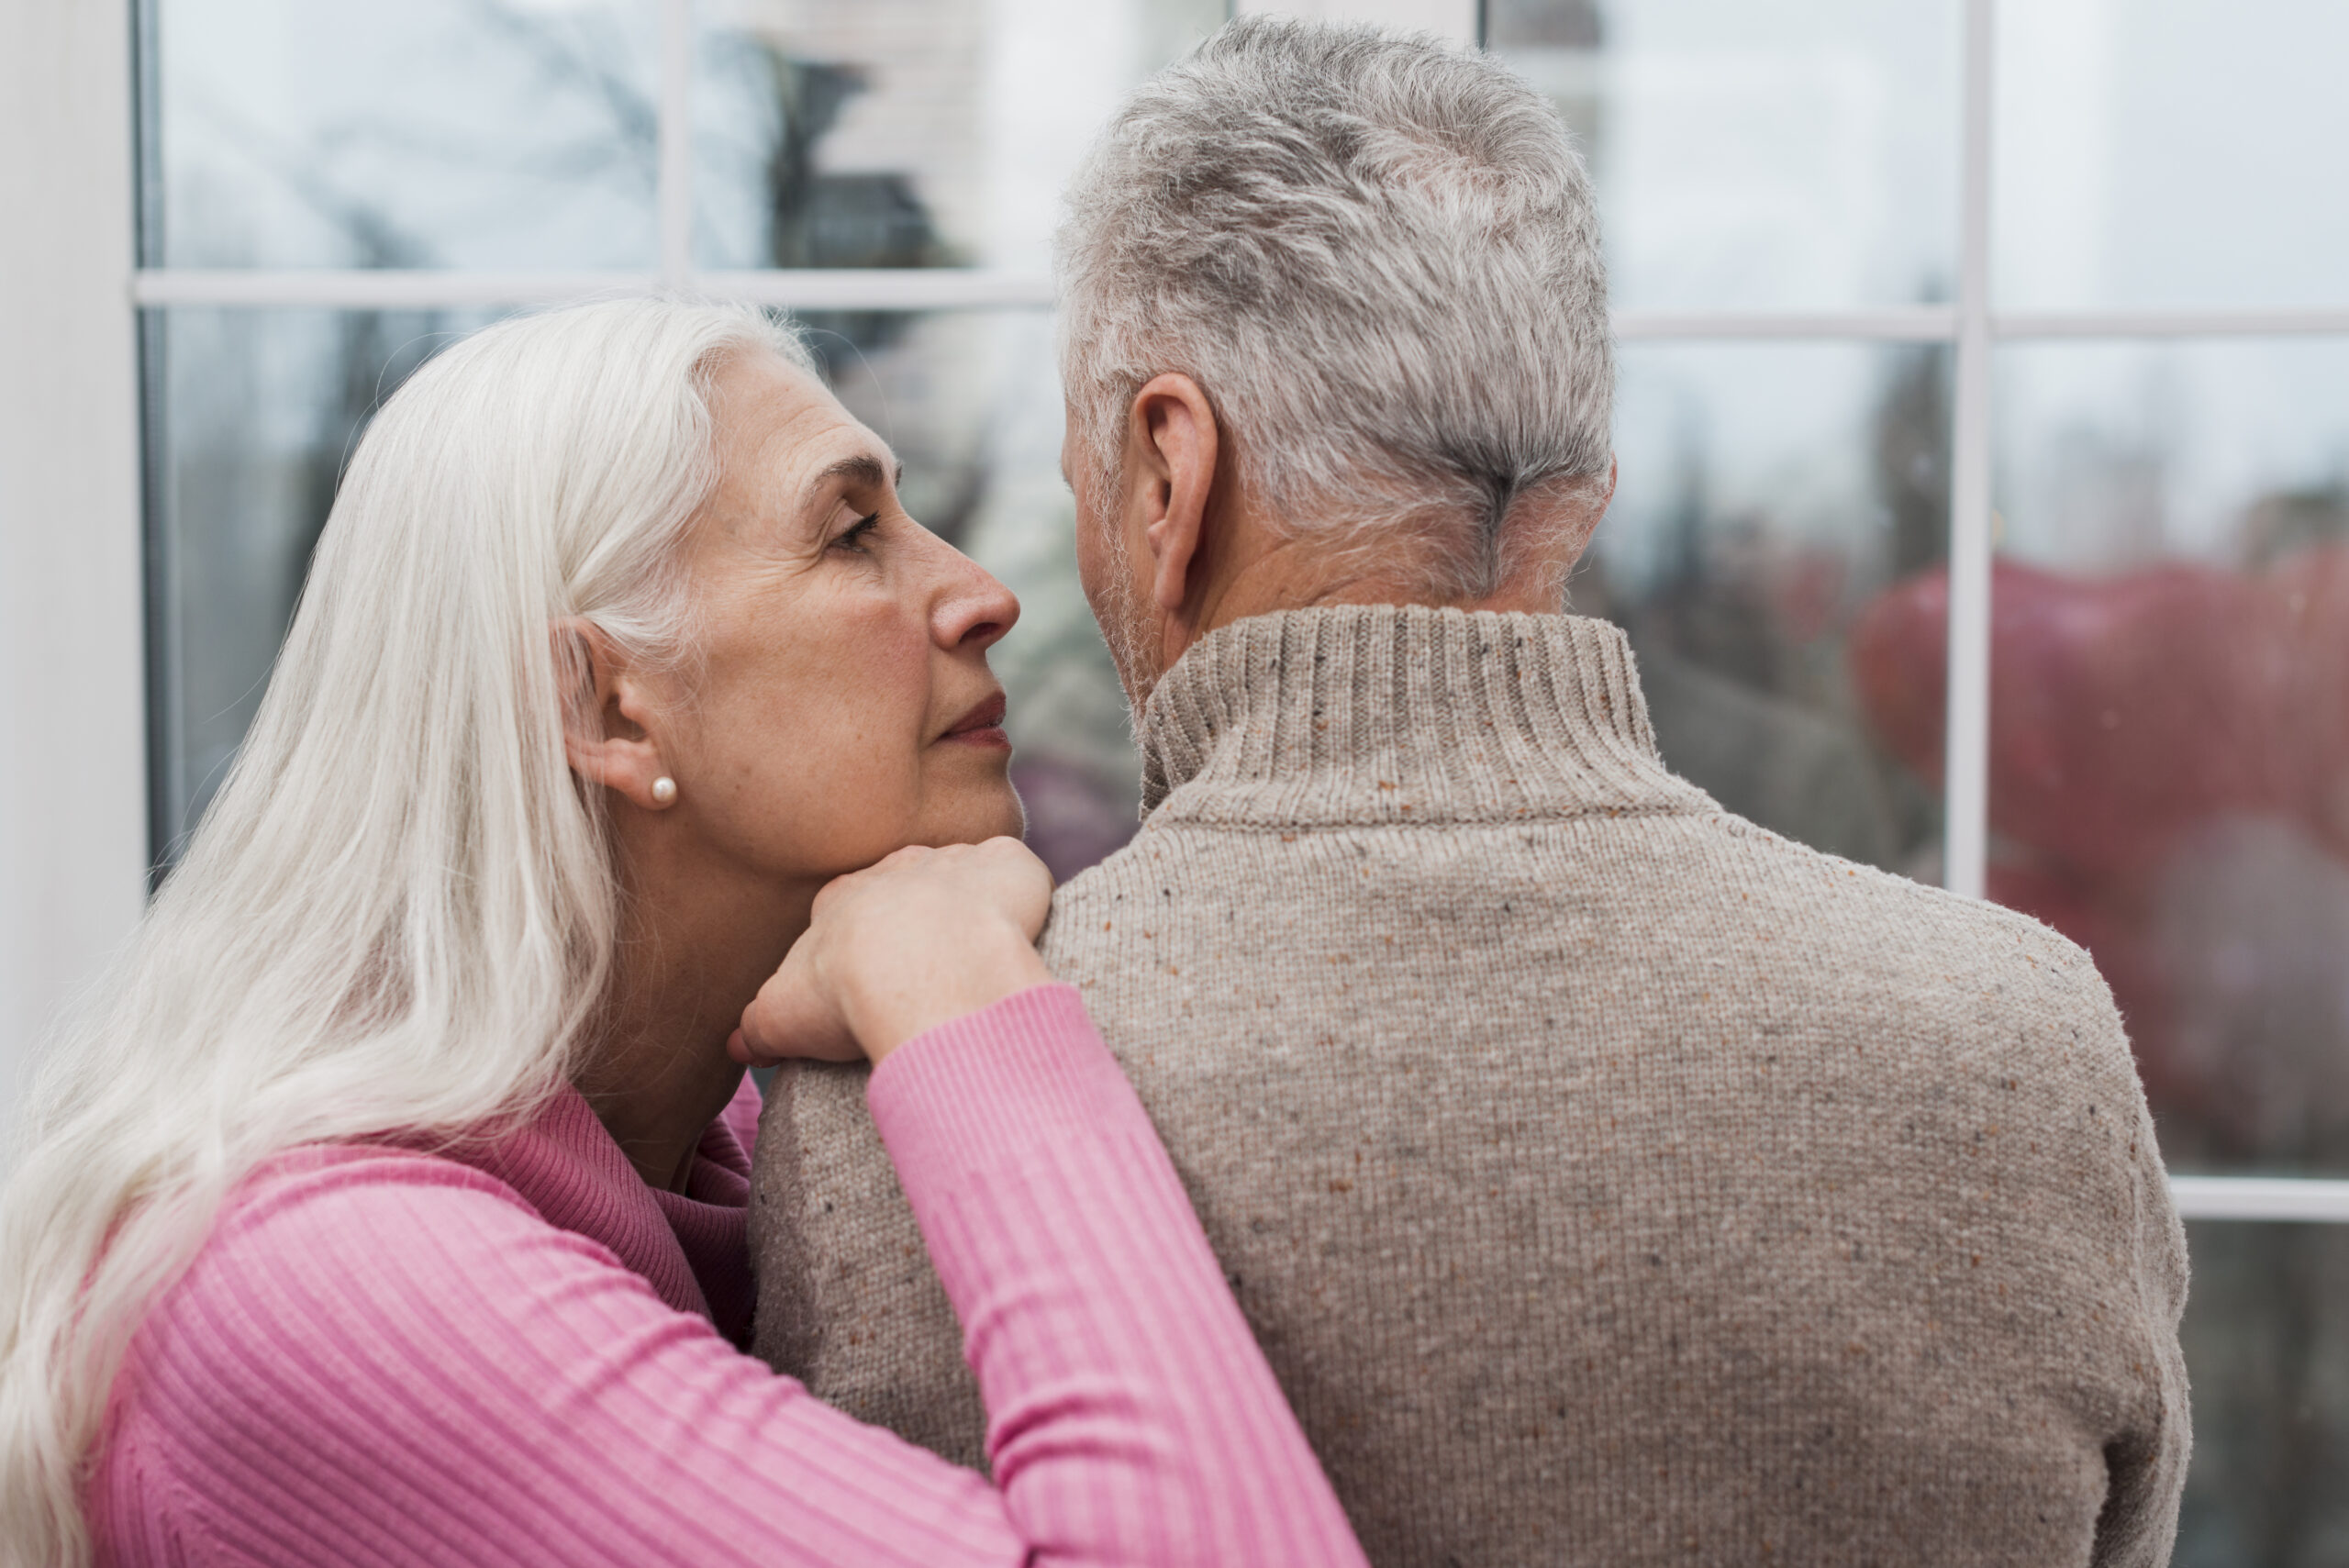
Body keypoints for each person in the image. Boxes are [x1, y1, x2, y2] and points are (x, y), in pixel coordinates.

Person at [749, 19, 2191, 1568]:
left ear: (1168, 474)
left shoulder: (905, 1092)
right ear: (1582, 493)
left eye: (1080, 463)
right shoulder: (2019, 1048)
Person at [0, 299, 1368, 1568]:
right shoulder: (320, 1289)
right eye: (852, 536)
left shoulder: (708, 1163)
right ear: (602, 706)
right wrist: (958, 1001)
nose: (978, 593)